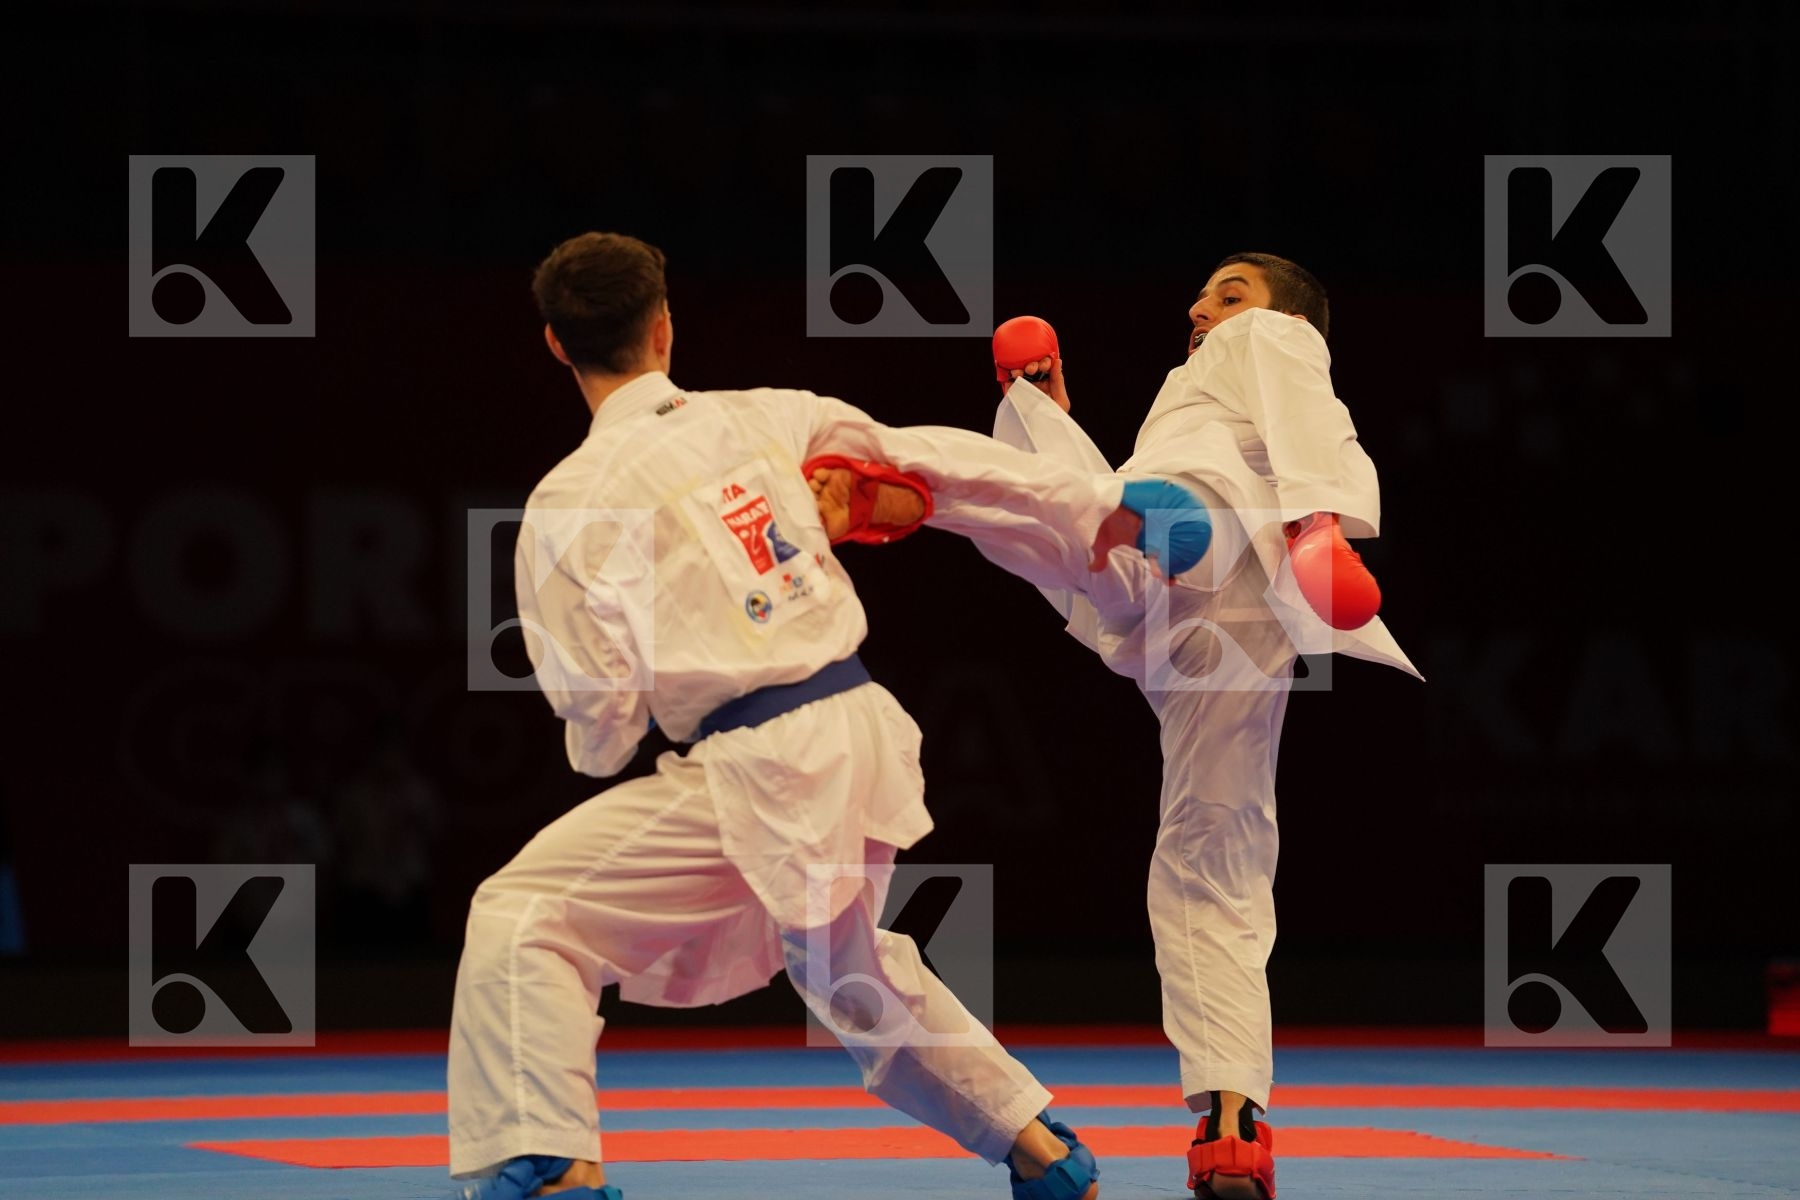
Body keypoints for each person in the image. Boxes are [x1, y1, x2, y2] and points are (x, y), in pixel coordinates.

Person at [446, 231, 1206, 1200]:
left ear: (556, 345)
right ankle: (1045, 1153)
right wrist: (1109, 502)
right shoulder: (769, 414)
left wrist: (642, 675)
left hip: (763, 757)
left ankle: (555, 1169)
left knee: (522, 914)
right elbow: (930, 465)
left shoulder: (565, 505)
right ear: (665, 327)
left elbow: (601, 734)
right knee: (853, 979)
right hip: (856, 720)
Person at [865, 253, 1419, 1200]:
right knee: (1213, 852)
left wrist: (1318, 524)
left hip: (1225, 550)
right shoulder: (1189, 388)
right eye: (1205, 297)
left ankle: (903, 479)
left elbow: (1304, 408)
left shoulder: (1273, 339)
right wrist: (1055, 417)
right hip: (1193, 624)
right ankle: (1231, 1124)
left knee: (1077, 522)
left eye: (1230, 290)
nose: (1206, 307)